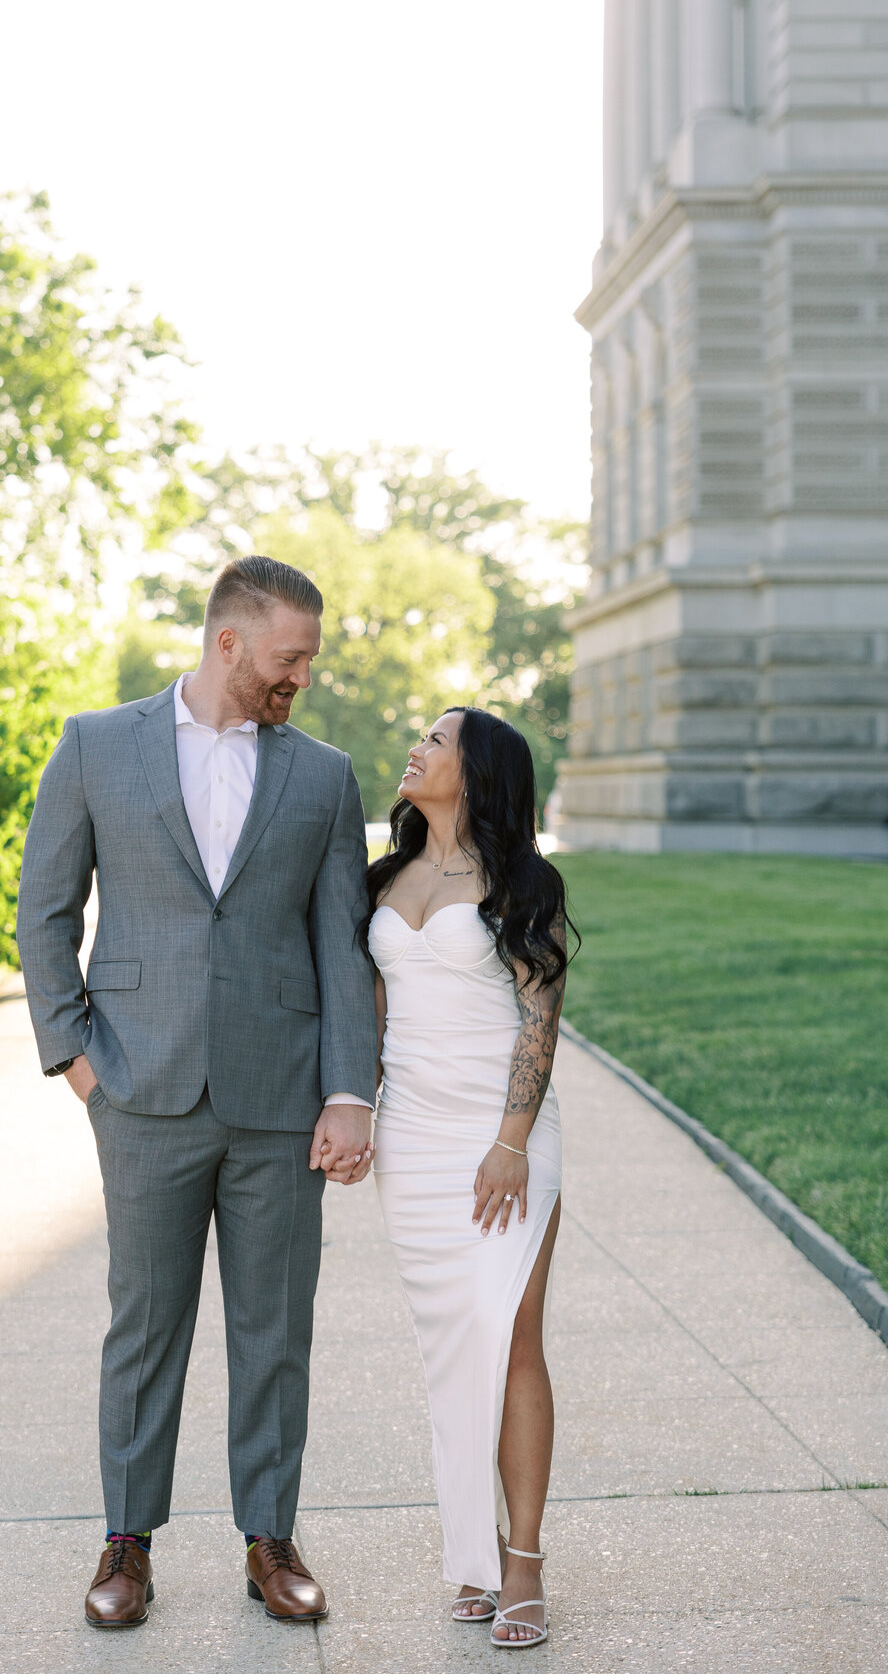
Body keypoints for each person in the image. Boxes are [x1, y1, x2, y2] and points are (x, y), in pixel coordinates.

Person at [16, 555, 378, 1629]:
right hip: (141, 1088)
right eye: (289, 656)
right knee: (145, 1322)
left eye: (306, 658)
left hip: (280, 1098)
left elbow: (341, 945)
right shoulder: (96, 745)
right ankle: (126, 1543)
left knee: (275, 1328)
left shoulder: (322, 775)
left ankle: (271, 1539)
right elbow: (45, 909)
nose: (300, 676)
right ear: (229, 642)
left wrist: (349, 1090)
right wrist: (76, 1061)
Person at [366, 707, 575, 1649]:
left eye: (437, 740)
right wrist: (350, 1112)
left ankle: (523, 1561)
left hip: (503, 1139)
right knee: (451, 1348)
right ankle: (472, 1552)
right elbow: (368, 1019)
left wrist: (512, 1141)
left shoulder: (523, 882)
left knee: (511, 1335)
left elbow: (539, 1022)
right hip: (410, 1138)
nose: (418, 747)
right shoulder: (381, 876)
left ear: (478, 770)